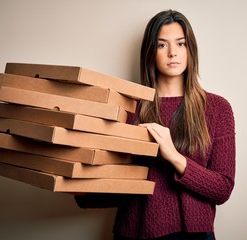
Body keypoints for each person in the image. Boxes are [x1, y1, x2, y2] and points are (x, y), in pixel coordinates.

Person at [75, 9, 236, 240]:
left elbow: (222, 189)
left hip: (193, 235)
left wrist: (173, 156)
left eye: (181, 44)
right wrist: (83, 194)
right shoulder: (129, 108)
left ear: (191, 50)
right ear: (150, 52)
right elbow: (125, 191)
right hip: (134, 233)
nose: (173, 53)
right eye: (162, 45)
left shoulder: (217, 109)